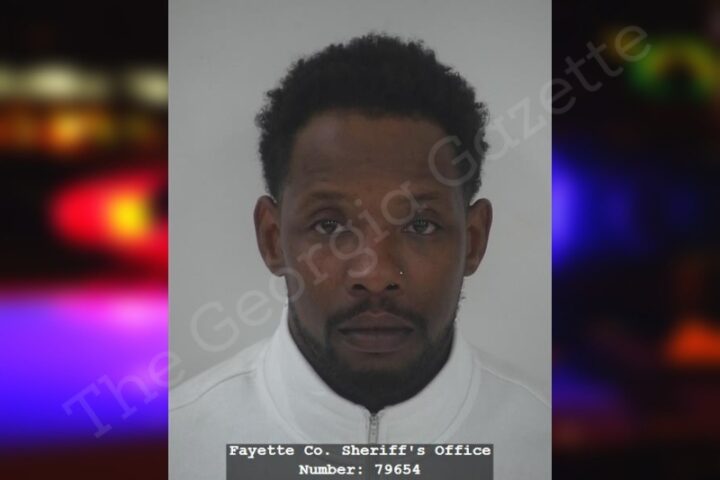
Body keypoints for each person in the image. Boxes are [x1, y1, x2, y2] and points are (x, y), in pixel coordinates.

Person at [170, 33, 549, 480]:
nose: (376, 273)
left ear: (474, 240)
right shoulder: (177, 447)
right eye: (329, 226)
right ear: (272, 240)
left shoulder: (544, 445)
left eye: (420, 225)